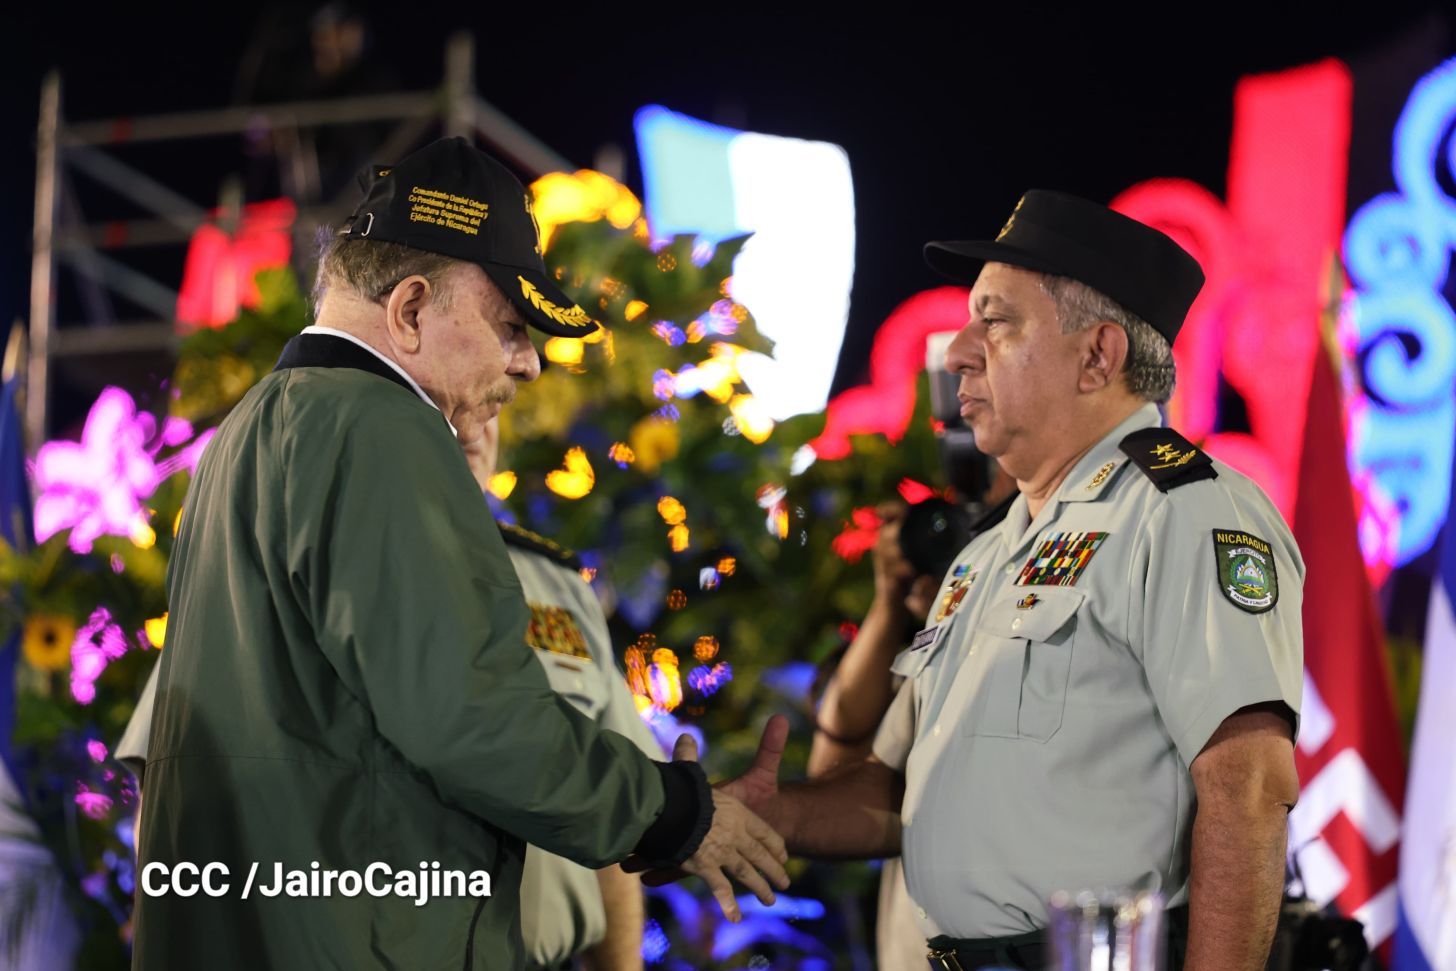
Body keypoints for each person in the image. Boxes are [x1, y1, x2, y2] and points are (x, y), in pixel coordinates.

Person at [131, 137, 787, 970]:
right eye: (511, 325)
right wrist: (677, 813)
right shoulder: (381, 426)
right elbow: (471, 715)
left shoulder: (262, 422)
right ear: (408, 311)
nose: (528, 361)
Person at [676, 190, 1304, 971]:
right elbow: (895, 795)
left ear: (1097, 356)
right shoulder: (988, 552)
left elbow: (1248, 789)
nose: (958, 351)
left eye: (996, 321)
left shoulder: (1184, 511)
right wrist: (776, 811)